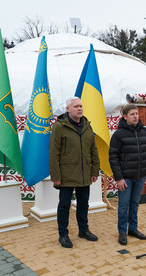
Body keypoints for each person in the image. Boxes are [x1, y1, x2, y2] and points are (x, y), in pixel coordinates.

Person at [49, 97, 100, 248]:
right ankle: (63, 234)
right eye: (76, 106)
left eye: (81, 106)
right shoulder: (59, 127)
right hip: (66, 174)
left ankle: (83, 230)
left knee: (84, 204)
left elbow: (93, 150)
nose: (79, 108)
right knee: (64, 205)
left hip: (85, 173)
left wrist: (95, 170)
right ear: (68, 109)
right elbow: (53, 153)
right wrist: (56, 176)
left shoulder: (87, 126)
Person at [109, 104, 146, 246]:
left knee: (135, 204)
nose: (136, 116)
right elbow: (113, 157)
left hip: (140, 176)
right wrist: (119, 178)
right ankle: (122, 231)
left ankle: (132, 229)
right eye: (132, 114)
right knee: (123, 205)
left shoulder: (144, 132)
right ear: (125, 116)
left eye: (137, 114)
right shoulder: (118, 134)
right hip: (125, 177)